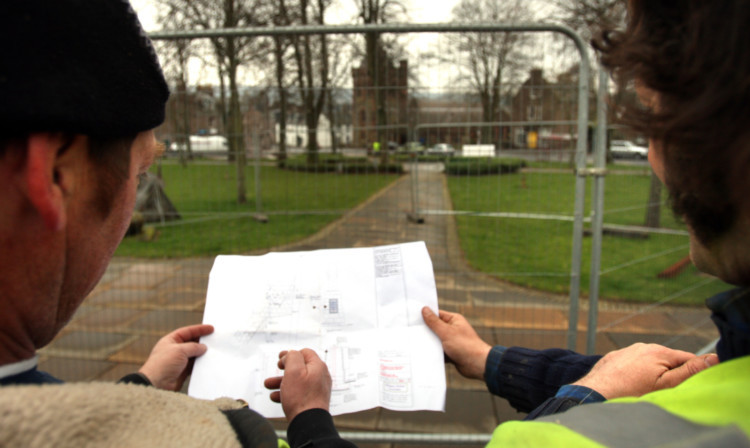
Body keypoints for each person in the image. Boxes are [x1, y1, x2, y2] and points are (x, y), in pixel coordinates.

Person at [0, 1, 353, 447]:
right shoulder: (223, 437)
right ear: (55, 176)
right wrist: (312, 423)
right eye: (139, 172)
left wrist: (138, 394)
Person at [423, 0, 750, 445]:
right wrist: (485, 358)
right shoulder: (727, 361)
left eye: (657, 116)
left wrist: (311, 423)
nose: (654, 157)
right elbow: (622, 381)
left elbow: (594, 400)